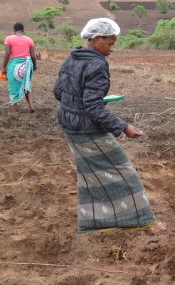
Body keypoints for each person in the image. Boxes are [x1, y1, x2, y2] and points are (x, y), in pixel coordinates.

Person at [53, 18, 164, 233]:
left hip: (69, 125)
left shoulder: (72, 57)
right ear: (96, 39)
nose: (112, 48)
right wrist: (123, 127)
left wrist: (78, 104)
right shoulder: (97, 64)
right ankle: (143, 220)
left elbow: (59, 92)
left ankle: (94, 223)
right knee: (123, 171)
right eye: (110, 43)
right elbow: (93, 107)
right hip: (87, 129)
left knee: (90, 175)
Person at [2, 23, 36, 112]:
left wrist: (4, 67)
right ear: (23, 30)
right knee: (27, 85)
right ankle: (31, 106)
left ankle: (14, 109)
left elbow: (8, 54)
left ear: (14, 30)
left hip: (14, 66)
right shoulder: (29, 40)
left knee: (13, 87)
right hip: (27, 66)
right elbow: (33, 56)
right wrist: (34, 66)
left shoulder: (9, 39)